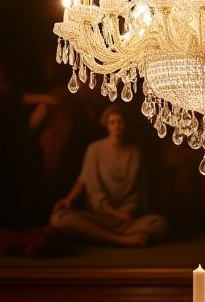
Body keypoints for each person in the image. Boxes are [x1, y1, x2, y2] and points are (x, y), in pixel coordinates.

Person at [50, 105, 168, 246]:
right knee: (58, 218)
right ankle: (120, 240)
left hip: (126, 220)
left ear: (125, 125)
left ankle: (95, 235)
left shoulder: (135, 152)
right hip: (99, 217)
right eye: (112, 122)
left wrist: (126, 213)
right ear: (106, 125)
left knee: (160, 224)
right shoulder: (94, 149)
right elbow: (84, 180)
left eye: (120, 122)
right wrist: (68, 199)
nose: (117, 126)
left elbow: (139, 189)